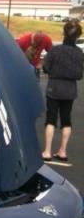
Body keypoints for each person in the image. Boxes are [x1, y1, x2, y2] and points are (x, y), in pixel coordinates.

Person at [41, 20, 84, 162]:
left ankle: (47, 151)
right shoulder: (79, 53)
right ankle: (63, 151)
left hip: (54, 88)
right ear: (78, 36)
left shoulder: (55, 50)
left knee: (51, 119)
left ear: (64, 33)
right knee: (66, 120)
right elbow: (79, 74)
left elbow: (45, 67)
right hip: (70, 90)